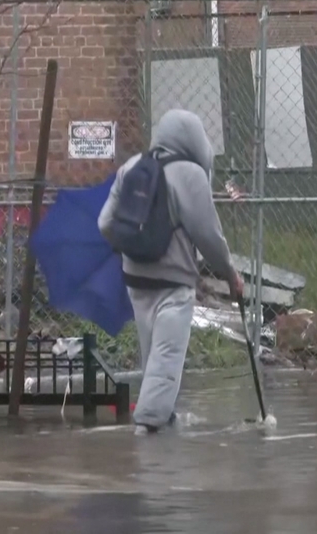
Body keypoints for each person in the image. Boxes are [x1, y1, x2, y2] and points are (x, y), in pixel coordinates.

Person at [99, 109, 244, 435]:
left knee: (152, 357)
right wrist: (230, 273)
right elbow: (209, 236)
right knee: (166, 359)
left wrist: (128, 249)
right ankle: (149, 427)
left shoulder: (132, 168)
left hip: (136, 279)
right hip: (173, 283)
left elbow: (105, 223)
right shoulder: (190, 175)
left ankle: (164, 419)